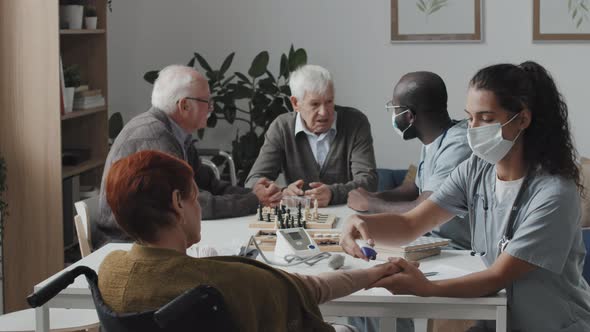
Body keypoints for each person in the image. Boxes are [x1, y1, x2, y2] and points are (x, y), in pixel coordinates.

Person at [340, 61, 590, 332]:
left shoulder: (554, 195)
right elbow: (411, 224)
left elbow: (497, 276)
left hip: (554, 325)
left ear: (523, 119)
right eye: (470, 117)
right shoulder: (476, 169)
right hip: (500, 319)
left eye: (486, 118)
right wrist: (359, 224)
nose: (473, 129)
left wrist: (426, 288)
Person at [98, 150, 404, 332]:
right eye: (195, 198)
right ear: (178, 204)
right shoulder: (229, 280)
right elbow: (312, 289)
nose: (199, 207)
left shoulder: (109, 272)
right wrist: (374, 273)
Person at [94, 65, 281, 248]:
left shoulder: (176, 132)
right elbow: (192, 203)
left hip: (150, 238)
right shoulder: (155, 136)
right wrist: (254, 200)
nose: (211, 109)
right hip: (126, 244)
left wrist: (254, 194)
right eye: (207, 102)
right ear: (184, 105)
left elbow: (209, 185)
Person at [347, 71, 472, 250]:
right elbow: (413, 187)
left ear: (409, 116)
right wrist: (374, 196)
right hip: (432, 242)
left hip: (457, 252)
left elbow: (422, 208)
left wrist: (371, 204)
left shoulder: (457, 147)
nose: (393, 114)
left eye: (394, 108)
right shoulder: (432, 139)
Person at [245, 64, 377, 207]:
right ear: (295, 103)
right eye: (315, 104)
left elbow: (369, 181)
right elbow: (254, 180)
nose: (324, 112)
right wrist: (283, 192)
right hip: (299, 219)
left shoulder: (355, 122)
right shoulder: (281, 127)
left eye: (329, 102)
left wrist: (333, 193)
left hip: (346, 214)